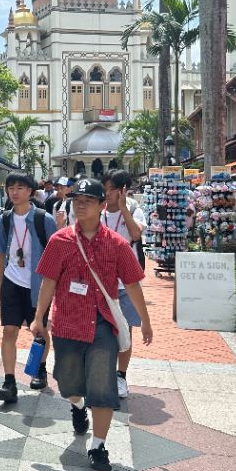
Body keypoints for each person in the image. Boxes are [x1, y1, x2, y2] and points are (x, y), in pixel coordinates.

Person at [31, 178, 153, 471]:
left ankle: (98, 447)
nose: (81, 204)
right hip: (66, 323)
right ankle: (77, 404)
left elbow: (132, 284)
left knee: (102, 386)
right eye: (77, 200)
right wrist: (38, 317)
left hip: (102, 325)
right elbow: (48, 281)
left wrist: (145, 320)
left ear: (101, 205)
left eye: (88, 200)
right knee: (67, 383)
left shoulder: (117, 244)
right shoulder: (60, 241)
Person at [0, 173, 57, 401]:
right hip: (11, 281)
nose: (14, 192)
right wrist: (1, 283)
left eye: (20, 187)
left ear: (30, 191)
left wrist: (54, 287)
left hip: (38, 285)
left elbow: (55, 255)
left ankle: (40, 369)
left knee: (39, 330)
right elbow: (2, 253)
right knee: (9, 330)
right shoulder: (5, 219)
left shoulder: (44, 219)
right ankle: (9, 381)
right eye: (11, 187)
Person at [100, 170, 148, 399]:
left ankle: (121, 375)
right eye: (106, 188)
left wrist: (124, 209)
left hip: (125, 283)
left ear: (123, 190)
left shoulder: (134, 209)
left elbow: (136, 235)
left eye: (113, 189)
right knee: (101, 330)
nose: (108, 193)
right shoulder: (97, 209)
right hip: (100, 282)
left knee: (125, 331)